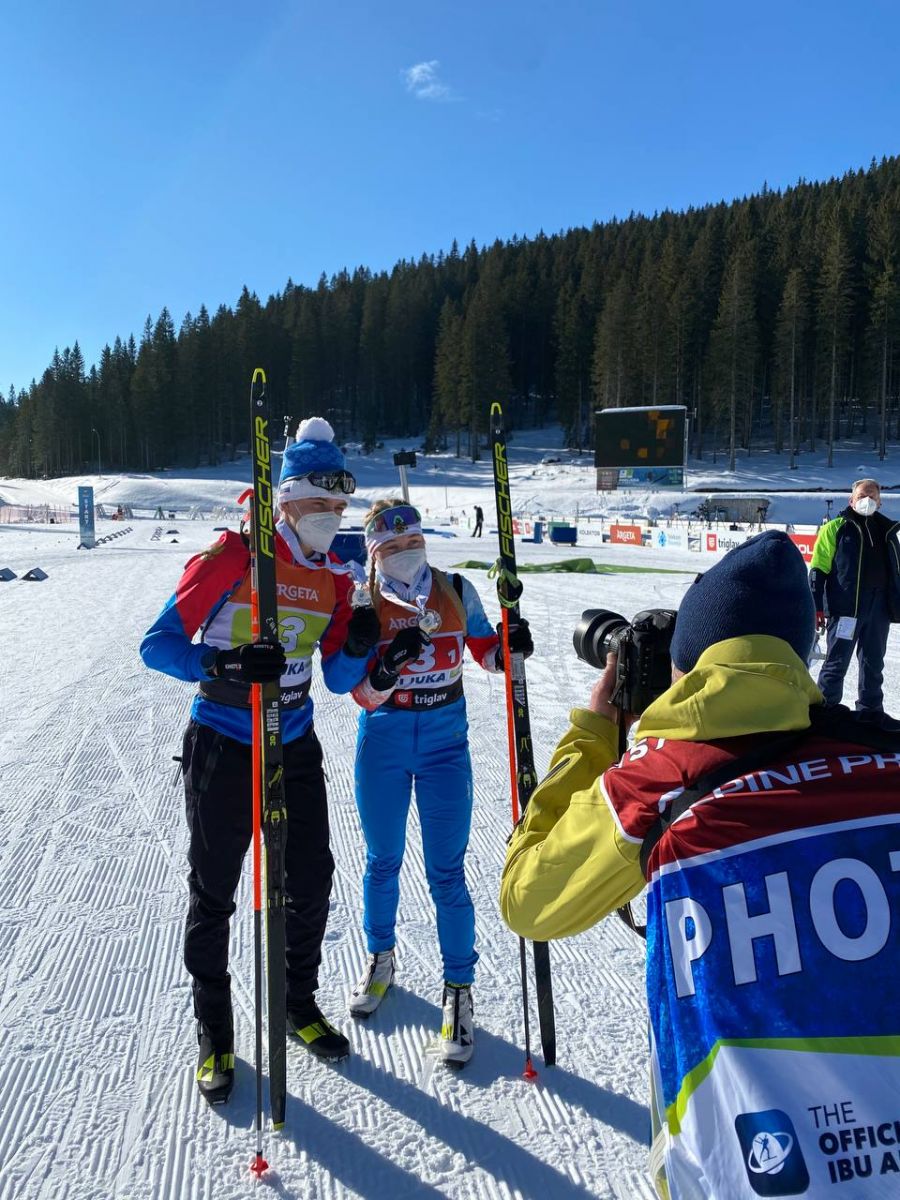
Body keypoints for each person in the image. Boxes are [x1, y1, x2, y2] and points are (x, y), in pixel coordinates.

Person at [500, 531, 900, 1199]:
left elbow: (528, 899)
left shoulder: (659, 786)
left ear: (689, 666)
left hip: (748, 1172)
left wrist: (598, 731)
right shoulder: (885, 759)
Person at [140, 418, 380, 1104]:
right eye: (319, 506)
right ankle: (215, 1032)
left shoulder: (334, 579)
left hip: (293, 739)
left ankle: (296, 1003)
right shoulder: (235, 559)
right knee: (213, 889)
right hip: (223, 735)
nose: (331, 520)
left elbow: (336, 678)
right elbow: (156, 644)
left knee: (312, 880)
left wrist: (359, 640)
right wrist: (219, 659)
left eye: (339, 509)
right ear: (286, 501)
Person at [347, 498, 532, 1065]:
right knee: (383, 861)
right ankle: (381, 957)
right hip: (383, 742)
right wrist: (387, 665)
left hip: (446, 750)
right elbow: (357, 691)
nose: (407, 553)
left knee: (447, 873)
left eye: (413, 542)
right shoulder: (364, 603)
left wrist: (510, 645)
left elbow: (486, 654)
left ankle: (459, 991)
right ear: (375, 553)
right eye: (392, 547)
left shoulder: (454, 590)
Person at [810, 477, 900, 722]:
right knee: (836, 662)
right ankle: (825, 713)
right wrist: (817, 606)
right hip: (846, 609)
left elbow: (896, 572)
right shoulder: (836, 528)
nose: (867, 500)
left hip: (879, 607)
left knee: (873, 663)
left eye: (872, 496)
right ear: (851, 500)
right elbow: (818, 570)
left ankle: (871, 713)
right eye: (862, 496)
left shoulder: (888, 532)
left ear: (880, 503)